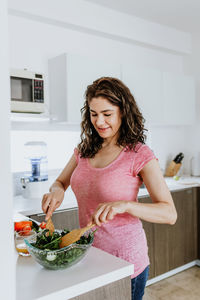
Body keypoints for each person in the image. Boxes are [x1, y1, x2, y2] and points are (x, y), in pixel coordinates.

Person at [42, 77, 177, 300]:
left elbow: (169, 213)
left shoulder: (138, 154)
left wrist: (126, 205)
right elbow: (60, 182)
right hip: (89, 256)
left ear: (123, 111)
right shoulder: (84, 150)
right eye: (94, 114)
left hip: (125, 263)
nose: (100, 122)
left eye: (107, 114)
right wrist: (57, 190)